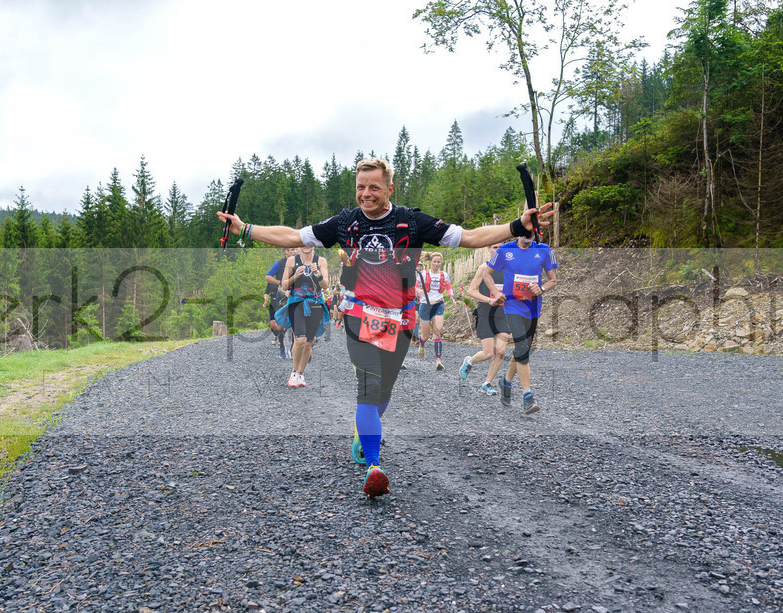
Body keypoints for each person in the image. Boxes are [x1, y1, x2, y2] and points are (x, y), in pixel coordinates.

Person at [218, 157, 553, 498]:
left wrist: (515, 226)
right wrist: (245, 229)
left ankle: (362, 432)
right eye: (361, 187)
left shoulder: (412, 220)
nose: (366, 194)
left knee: (384, 391)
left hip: (403, 317)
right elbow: (290, 235)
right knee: (369, 384)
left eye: (374, 187)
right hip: (358, 314)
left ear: (389, 188)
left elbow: (469, 237)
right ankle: (374, 466)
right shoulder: (345, 222)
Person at [485, 235, 558, 414]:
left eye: (530, 233)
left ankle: (506, 382)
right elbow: (487, 274)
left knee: (520, 351)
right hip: (512, 306)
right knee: (522, 348)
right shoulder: (504, 250)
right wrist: (495, 292)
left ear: (535, 233)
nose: (527, 236)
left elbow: (553, 280)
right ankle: (528, 396)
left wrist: (541, 289)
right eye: (523, 232)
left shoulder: (543, 250)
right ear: (518, 232)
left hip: (532, 308)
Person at [459, 243, 510, 395]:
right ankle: (470, 361)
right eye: (494, 247)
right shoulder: (483, 268)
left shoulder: (509, 268)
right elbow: (471, 291)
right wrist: (489, 299)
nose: (498, 249)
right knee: (488, 353)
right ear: (488, 249)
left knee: (500, 352)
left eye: (501, 247)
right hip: (486, 313)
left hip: (503, 314)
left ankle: (486, 384)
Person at [277, 245, 329, 388]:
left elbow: (325, 285)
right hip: (296, 303)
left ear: (313, 245)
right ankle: (294, 372)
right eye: (303, 243)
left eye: (309, 243)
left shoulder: (321, 261)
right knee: (299, 339)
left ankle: (301, 373)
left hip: (316, 303)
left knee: (309, 342)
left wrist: (317, 273)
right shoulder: (292, 261)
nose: (306, 246)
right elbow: (284, 285)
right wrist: (295, 276)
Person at [416, 252, 457, 370]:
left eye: (438, 262)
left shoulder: (444, 275)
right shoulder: (423, 274)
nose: (436, 264)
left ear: (441, 262)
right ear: (430, 262)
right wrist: (418, 291)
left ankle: (438, 361)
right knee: (425, 335)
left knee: (437, 333)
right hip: (425, 305)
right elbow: (415, 286)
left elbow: (449, 287)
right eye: (434, 261)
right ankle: (422, 343)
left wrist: (452, 297)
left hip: (438, 305)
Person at [264, 247, 296, 358]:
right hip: (281, 297)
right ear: (286, 252)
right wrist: (280, 283)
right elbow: (267, 277)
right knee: (280, 327)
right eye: (292, 249)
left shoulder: (299, 262)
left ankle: (293, 348)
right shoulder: (279, 264)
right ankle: (282, 345)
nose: (294, 251)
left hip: (296, 296)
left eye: (295, 249)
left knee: (296, 325)